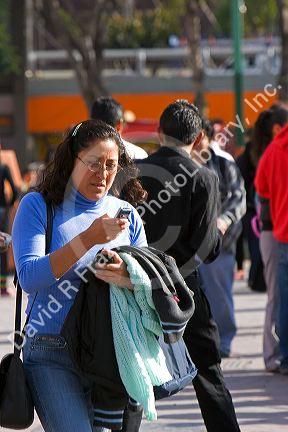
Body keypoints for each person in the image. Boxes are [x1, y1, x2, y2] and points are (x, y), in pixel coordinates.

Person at [12, 120, 148, 432]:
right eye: (94, 163)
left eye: (111, 165)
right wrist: (88, 238)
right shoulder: (38, 206)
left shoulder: (126, 213)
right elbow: (30, 276)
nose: (103, 174)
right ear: (72, 159)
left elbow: (147, 283)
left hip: (112, 353)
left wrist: (125, 275)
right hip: (51, 350)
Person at [128, 100, 240, 432]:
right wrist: (218, 228)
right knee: (208, 371)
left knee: (132, 372)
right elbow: (209, 251)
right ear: (198, 137)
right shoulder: (203, 177)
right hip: (185, 288)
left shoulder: (135, 172)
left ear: (159, 132)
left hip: (136, 283)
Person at [195, 121, 246, 358]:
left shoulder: (224, 161)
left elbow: (238, 198)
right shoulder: (183, 162)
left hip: (220, 244)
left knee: (219, 297)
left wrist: (223, 220)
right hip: (189, 246)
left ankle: (224, 342)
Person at [252, 106, 288, 371]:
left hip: (277, 232)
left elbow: (261, 190)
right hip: (275, 233)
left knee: (279, 298)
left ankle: (280, 355)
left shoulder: (271, 152)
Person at [0, 155, 18, 296]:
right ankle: (2, 287)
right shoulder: (4, 167)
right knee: (2, 246)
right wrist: (9, 205)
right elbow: (15, 189)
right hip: (1, 210)